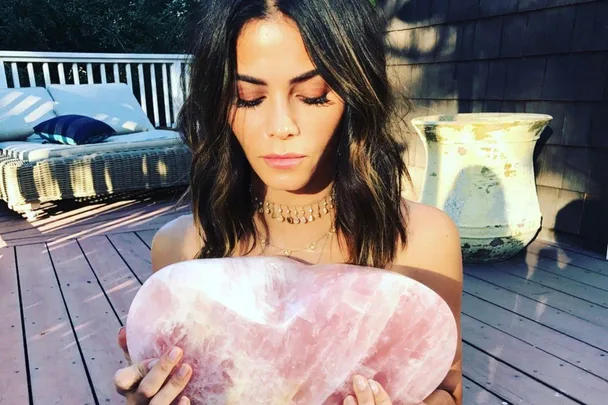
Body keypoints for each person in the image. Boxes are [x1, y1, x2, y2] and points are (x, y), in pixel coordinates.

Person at [113, 0, 463, 404]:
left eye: (314, 96)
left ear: (356, 93)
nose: (281, 127)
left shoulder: (422, 240)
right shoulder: (181, 248)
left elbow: (445, 386)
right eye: (247, 98)